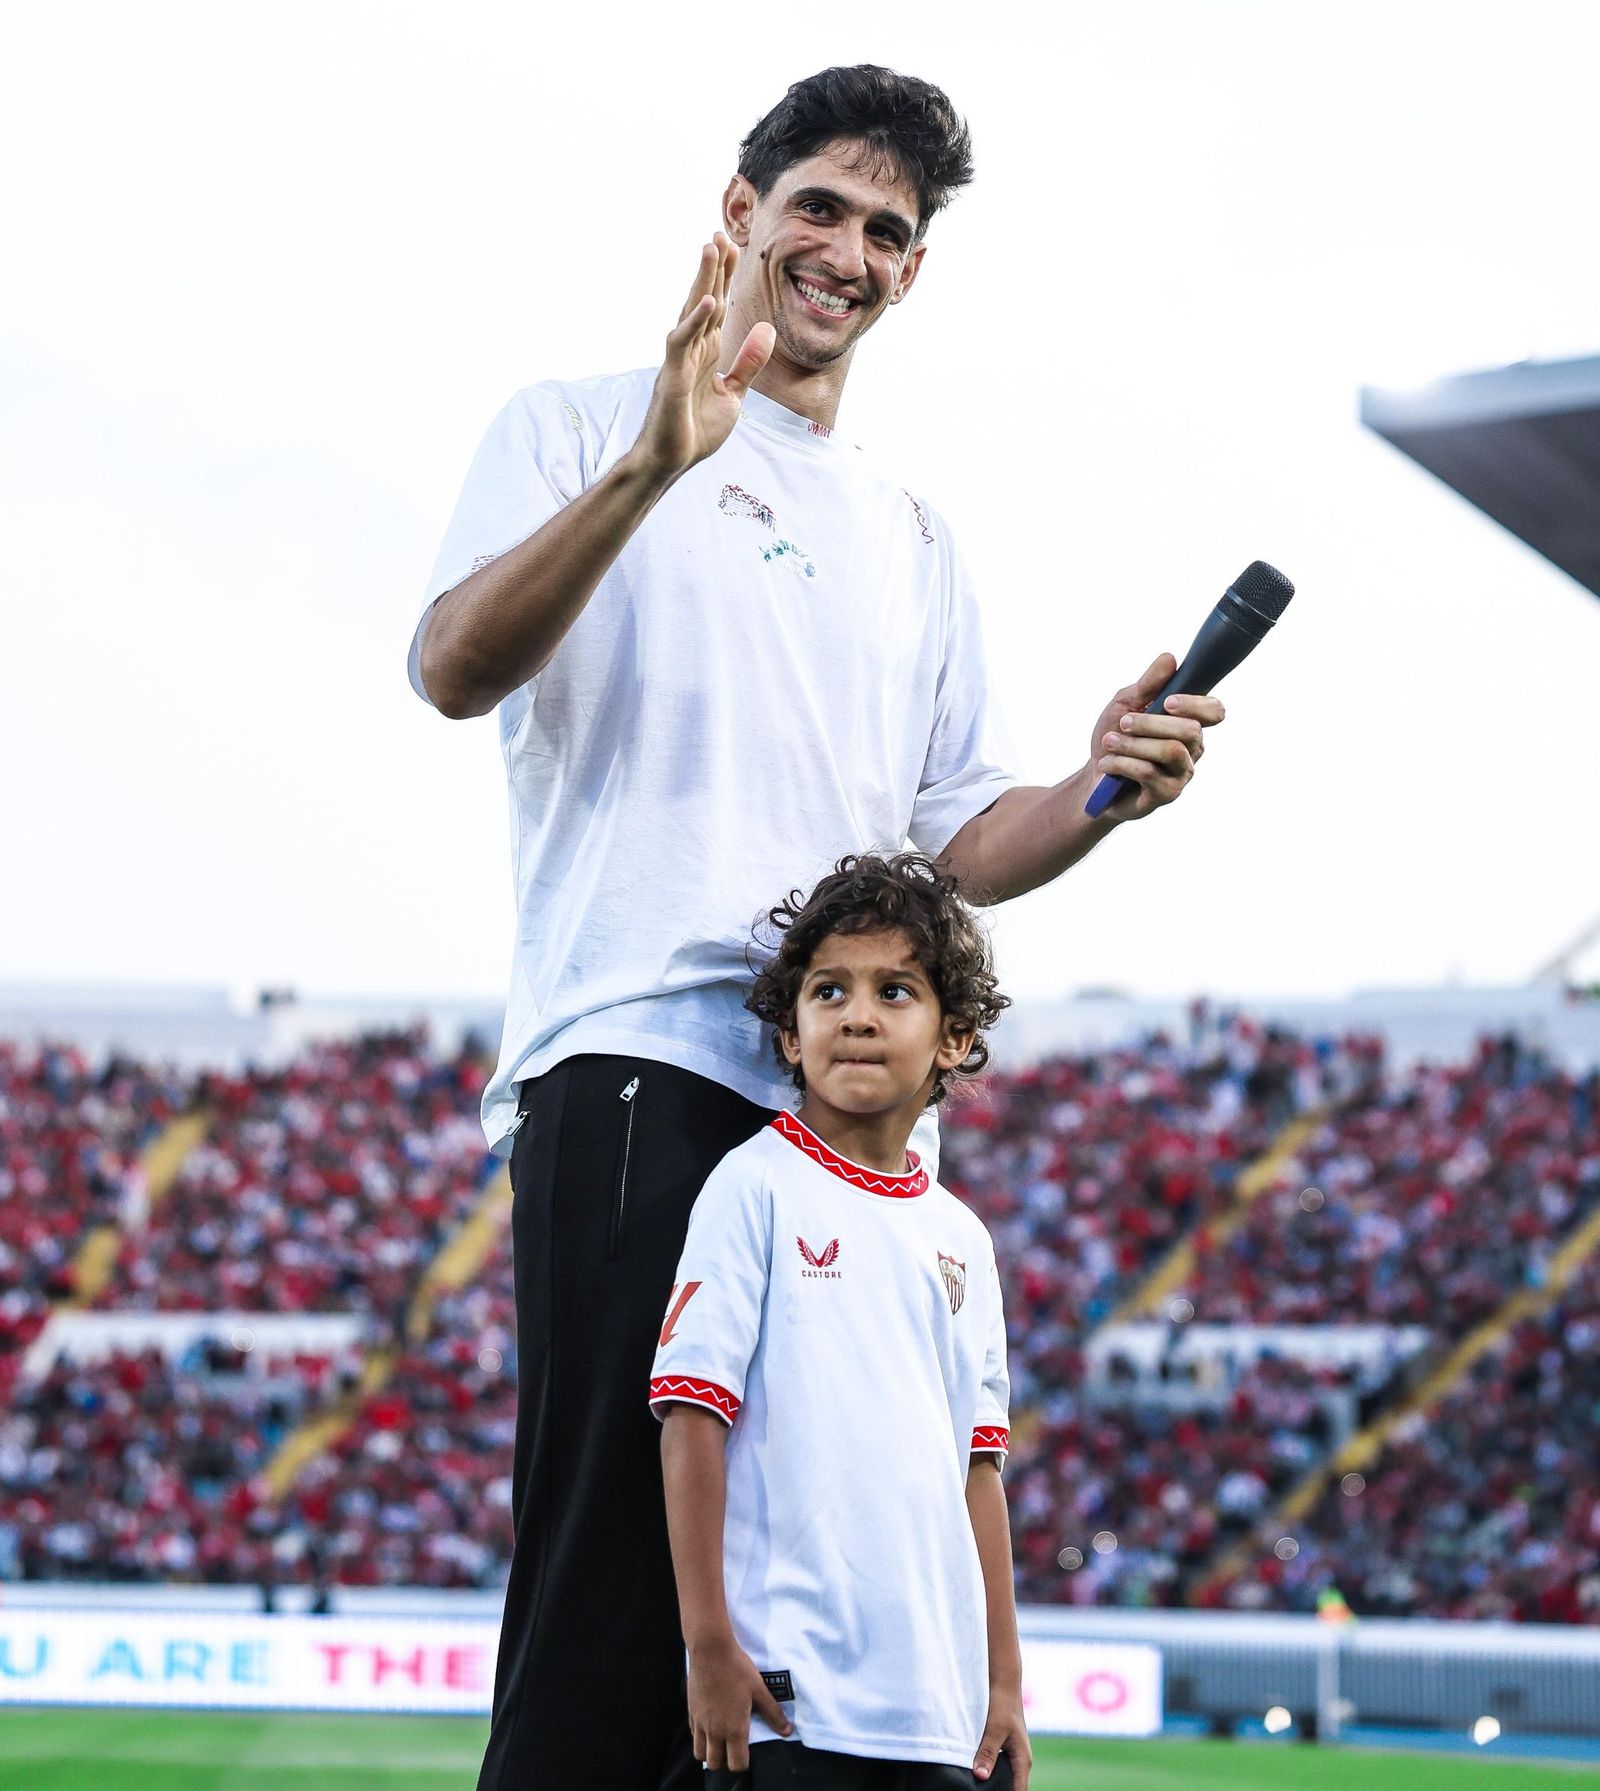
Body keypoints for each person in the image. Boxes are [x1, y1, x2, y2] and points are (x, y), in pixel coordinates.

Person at [409, 64, 1223, 1791]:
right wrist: (651, 468)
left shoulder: (917, 539)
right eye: (821, 208)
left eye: (887, 230)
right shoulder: (572, 423)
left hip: (839, 1121)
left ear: (915, 272)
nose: (848, 250)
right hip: (642, 1070)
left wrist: (1097, 789)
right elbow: (452, 670)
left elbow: (958, 846)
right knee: (614, 1605)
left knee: (781, 1650)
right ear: (741, 209)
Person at [652, 854, 1028, 1790]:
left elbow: (977, 1472)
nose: (858, 1014)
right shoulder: (752, 1187)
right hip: (792, 1706)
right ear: (790, 1033)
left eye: (895, 990)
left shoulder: (963, 1238)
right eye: (829, 990)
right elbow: (692, 1420)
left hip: (938, 1714)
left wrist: (1005, 1682)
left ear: (955, 1037)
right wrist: (708, 1643)